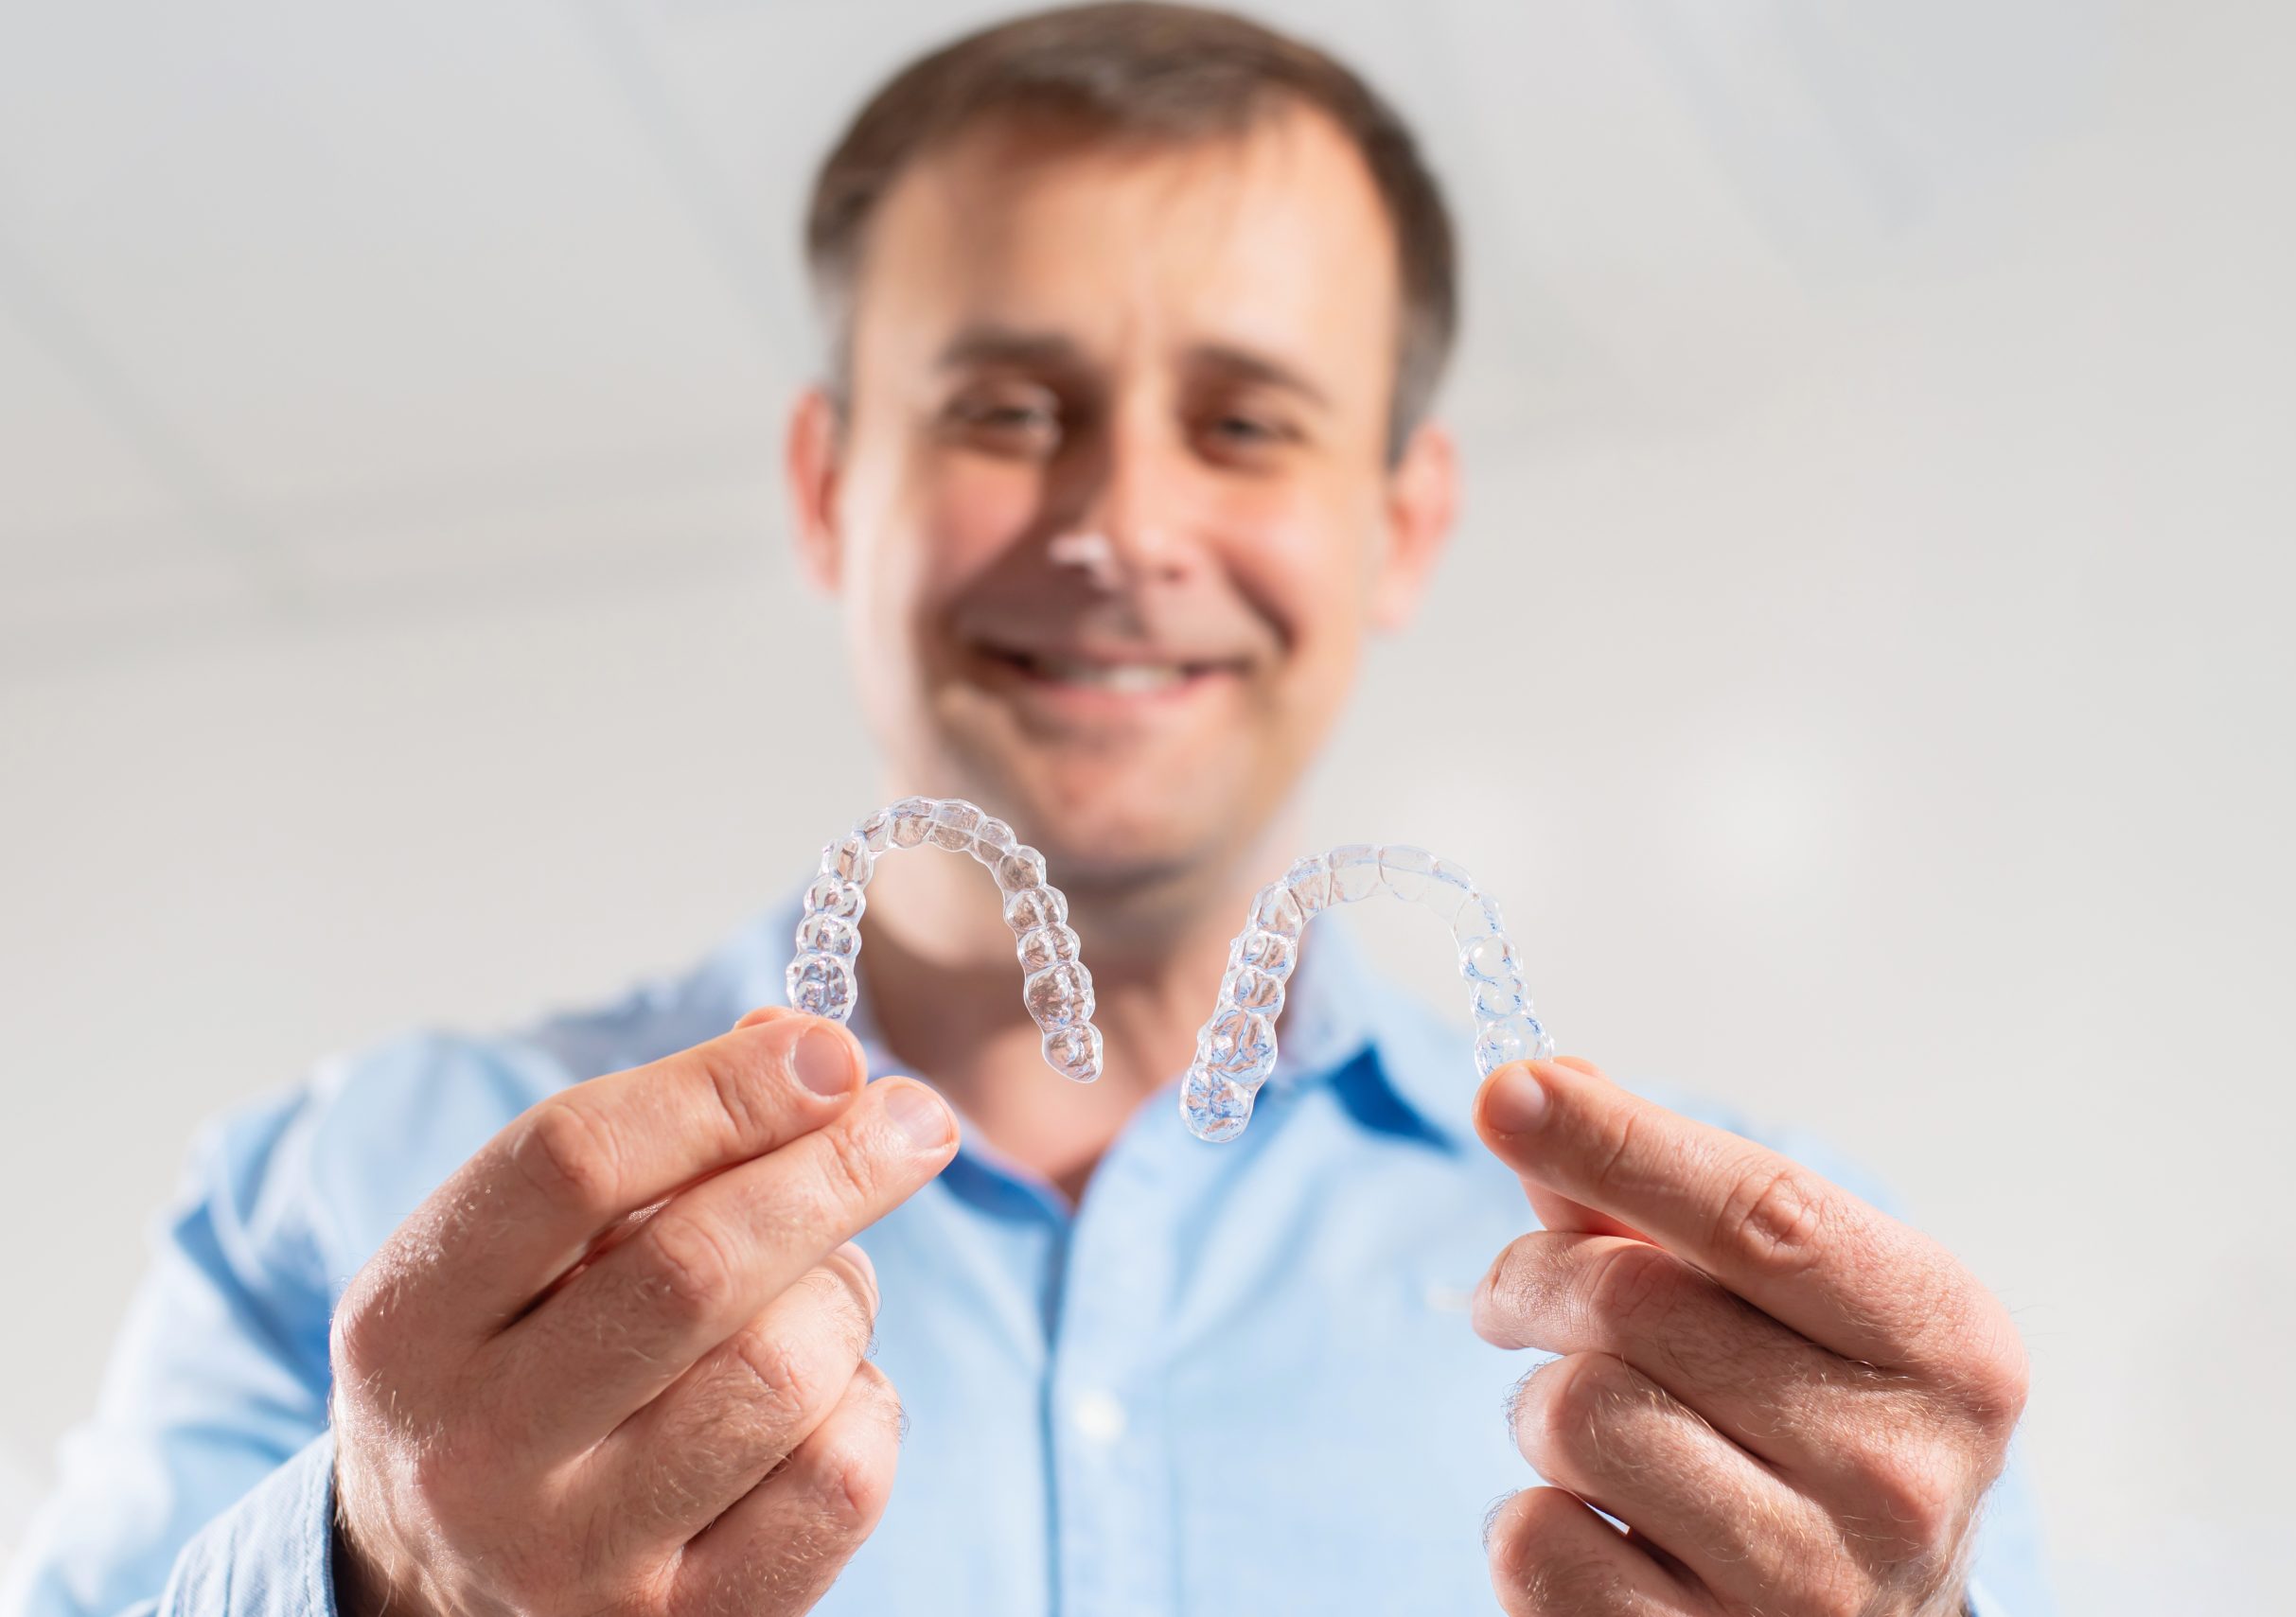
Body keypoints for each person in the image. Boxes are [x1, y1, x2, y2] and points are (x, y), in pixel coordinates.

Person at [2, 6, 2050, 1614]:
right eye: (1004, 411)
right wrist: (386, 1591)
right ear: (826, 488)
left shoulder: (1752, 1328)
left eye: (1243, 423)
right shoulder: (341, 1200)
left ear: (1398, 526)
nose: (1118, 527)